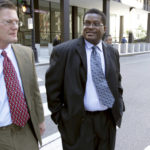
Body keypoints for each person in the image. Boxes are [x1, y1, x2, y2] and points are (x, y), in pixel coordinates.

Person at [46, 8, 125, 150]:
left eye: (95, 24)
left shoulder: (112, 52)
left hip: (107, 122)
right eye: (86, 23)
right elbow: (53, 90)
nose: (90, 27)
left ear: (104, 28)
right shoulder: (63, 52)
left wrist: (118, 108)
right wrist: (62, 119)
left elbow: (117, 84)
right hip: (78, 125)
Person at [0, 1, 45, 150]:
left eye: (16, 22)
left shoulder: (26, 53)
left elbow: (34, 91)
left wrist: (39, 120)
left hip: (26, 130)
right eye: (8, 22)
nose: (15, 27)